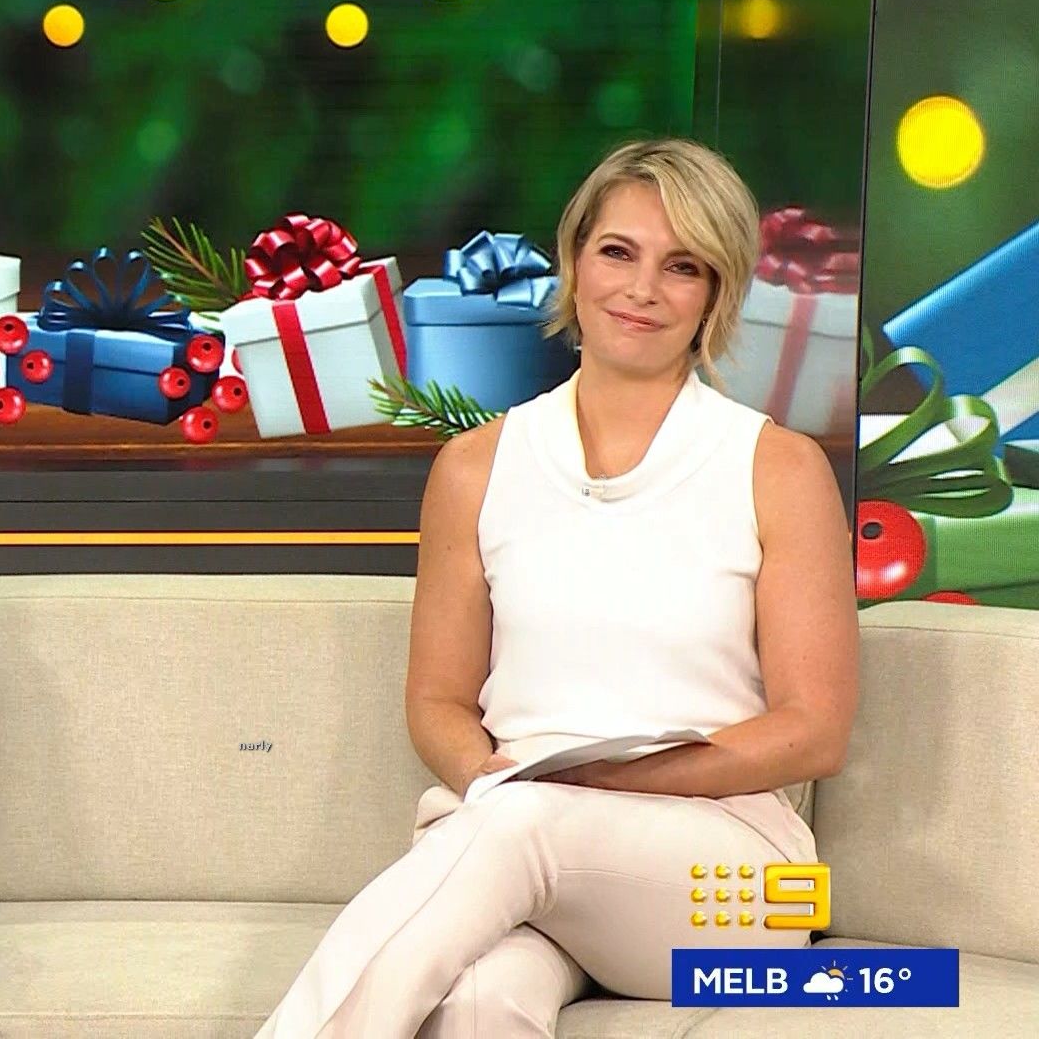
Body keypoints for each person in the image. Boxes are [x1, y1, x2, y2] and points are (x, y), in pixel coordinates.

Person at [257, 138, 858, 1037]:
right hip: (520, 849)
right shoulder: (475, 466)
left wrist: (606, 783)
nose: (642, 289)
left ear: (718, 294)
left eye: (682, 266)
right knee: (480, 999)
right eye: (618, 252)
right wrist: (488, 777)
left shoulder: (778, 468)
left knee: (523, 828)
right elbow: (437, 701)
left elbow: (815, 731)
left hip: (735, 882)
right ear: (574, 263)